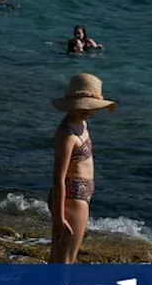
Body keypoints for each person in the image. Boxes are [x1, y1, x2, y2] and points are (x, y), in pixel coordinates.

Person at [48, 73, 115, 264]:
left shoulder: (82, 124)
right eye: (85, 107)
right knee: (65, 260)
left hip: (81, 195)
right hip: (72, 198)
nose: (90, 112)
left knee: (62, 257)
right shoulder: (66, 135)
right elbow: (58, 179)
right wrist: (59, 218)